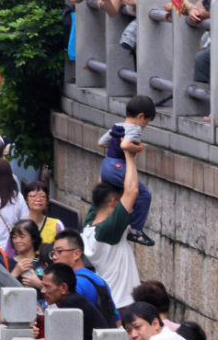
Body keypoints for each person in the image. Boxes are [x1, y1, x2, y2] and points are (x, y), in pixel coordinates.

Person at [0, 263, 108, 340]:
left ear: (63, 288)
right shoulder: (73, 300)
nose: (42, 291)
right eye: (42, 285)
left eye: (47, 286)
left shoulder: (70, 303)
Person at [81, 144, 142, 306]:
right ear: (114, 202)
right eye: (121, 201)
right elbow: (132, 191)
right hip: (123, 304)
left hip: (111, 302)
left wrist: (114, 148)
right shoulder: (108, 231)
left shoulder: (89, 227)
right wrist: (129, 155)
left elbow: (102, 181)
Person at [97, 94, 156, 246]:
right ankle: (135, 230)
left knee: (118, 195)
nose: (145, 126)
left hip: (106, 166)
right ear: (141, 116)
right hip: (118, 168)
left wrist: (116, 146)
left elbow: (101, 143)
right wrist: (138, 148)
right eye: (146, 122)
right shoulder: (135, 129)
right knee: (144, 195)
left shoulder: (117, 126)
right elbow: (125, 145)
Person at [46, 230, 120, 326]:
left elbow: (65, 327)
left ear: (77, 254)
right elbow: (117, 321)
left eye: (59, 251)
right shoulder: (99, 280)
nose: (54, 257)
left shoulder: (73, 284)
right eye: (53, 253)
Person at [22, 181, 64, 251]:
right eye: (34, 196)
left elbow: (64, 249)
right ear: (26, 199)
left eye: (43, 196)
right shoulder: (18, 227)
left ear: (47, 200)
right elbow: (10, 255)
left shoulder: (57, 225)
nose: (38, 199)